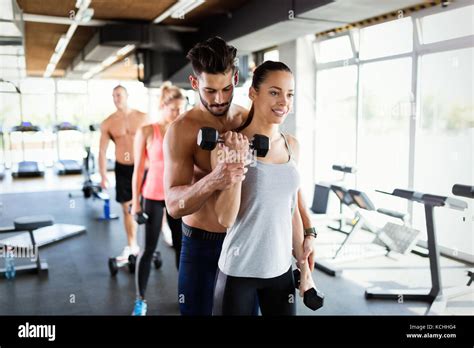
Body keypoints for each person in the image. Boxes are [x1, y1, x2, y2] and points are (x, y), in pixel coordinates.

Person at [164, 37, 317, 315]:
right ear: (195, 83)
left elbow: (286, 181)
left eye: (226, 88)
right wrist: (216, 177)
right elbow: (174, 206)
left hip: (250, 244)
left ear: (236, 78)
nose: (219, 99)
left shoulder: (247, 119)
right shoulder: (182, 130)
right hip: (202, 243)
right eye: (210, 91)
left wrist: (307, 228)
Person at [211, 61, 318, 315]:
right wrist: (236, 161)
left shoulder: (292, 145)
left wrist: (303, 263)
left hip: (280, 272)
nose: (284, 101)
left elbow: (289, 210)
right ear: (252, 93)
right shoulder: (227, 145)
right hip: (239, 272)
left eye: (289, 94)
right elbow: (226, 219)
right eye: (274, 92)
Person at [130, 82, 186, 315]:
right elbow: (138, 170)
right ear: (163, 106)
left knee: (181, 247)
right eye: (174, 109)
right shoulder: (146, 131)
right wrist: (135, 202)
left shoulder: (182, 130)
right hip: (152, 195)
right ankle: (140, 300)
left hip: (177, 195)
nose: (178, 113)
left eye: (181, 109)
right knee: (149, 248)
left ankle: (185, 296)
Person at [99, 85, 149, 263]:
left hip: (144, 167)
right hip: (123, 169)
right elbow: (102, 151)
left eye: (119, 95)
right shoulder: (108, 122)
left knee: (152, 206)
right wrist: (103, 174)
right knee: (128, 209)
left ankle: (155, 240)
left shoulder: (142, 117)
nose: (116, 98)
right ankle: (132, 245)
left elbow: (156, 142)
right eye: (113, 96)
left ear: (127, 96)